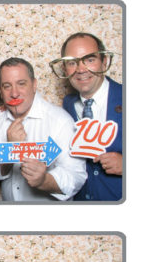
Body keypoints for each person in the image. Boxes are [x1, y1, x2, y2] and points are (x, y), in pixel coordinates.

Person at [0, 57, 86, 201]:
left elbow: (76, 176)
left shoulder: (60, 121)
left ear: (34, 85)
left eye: (21, 84)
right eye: (7, 86)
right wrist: (10, 148)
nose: (14, 93)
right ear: (0, 91)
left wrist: (44, 180)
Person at [50, 32, 122, 201]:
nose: (81, 69)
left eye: (90, 59)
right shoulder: (67, 106)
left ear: (104, 61)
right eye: (72, 62)